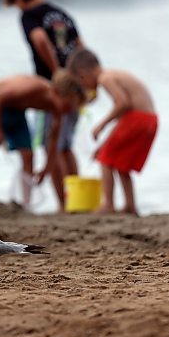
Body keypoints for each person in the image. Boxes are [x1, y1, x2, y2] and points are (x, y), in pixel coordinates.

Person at [2, 0, 84, 203]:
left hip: (52, 88)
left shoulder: (30, 15)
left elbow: (39, 39)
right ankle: (76, 201)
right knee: (66, 146)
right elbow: (81, 48)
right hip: (75, 87)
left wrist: (56, 71)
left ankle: (63, 202)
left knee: (51, 146)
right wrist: (78, 80)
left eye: (15, 3)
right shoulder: (62, 14)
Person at [0, 69, 86, 212]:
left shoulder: (56, 110)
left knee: (28, 155)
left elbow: (53, 142)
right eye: (67, 106)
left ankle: (26, 205)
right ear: (56, 92)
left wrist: (46, 169)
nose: (67, 111)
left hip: (16, 112)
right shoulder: (35, 88)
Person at [68, 48, 158, 216]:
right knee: (121, 164)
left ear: (83, 74)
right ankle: (130, 206)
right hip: (149, 120)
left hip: (138, 118)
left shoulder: (105, 78)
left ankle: (108, 204)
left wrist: (102, 124)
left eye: (81, 83)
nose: (85, 87)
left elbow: (122, 103)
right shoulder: (114, 74)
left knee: (105, 159)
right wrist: (104, 142)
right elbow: (125, 114)